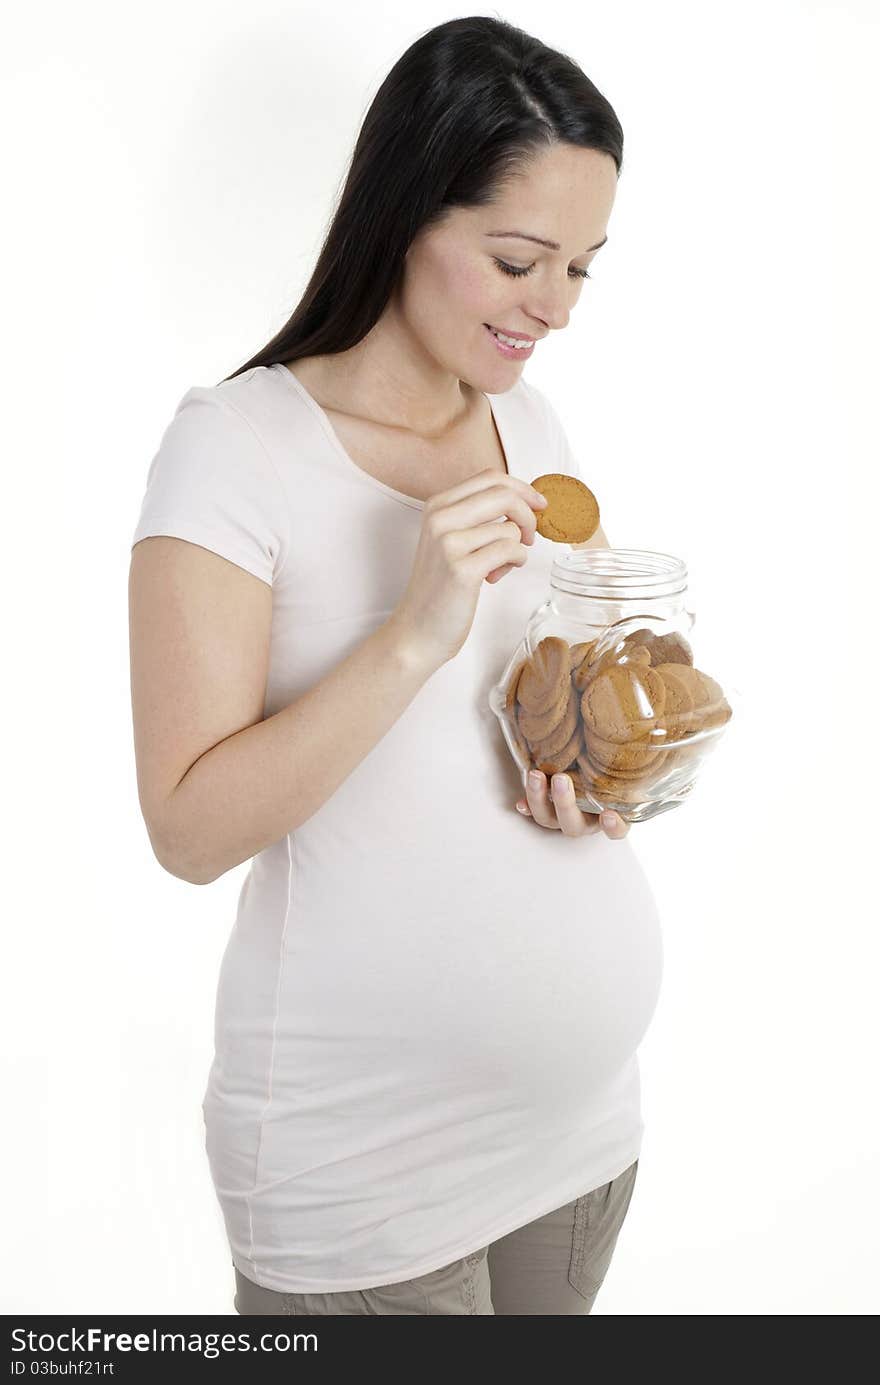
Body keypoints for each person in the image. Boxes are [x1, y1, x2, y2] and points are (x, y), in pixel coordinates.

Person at [128, 15, 663, 1315]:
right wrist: (412, 635)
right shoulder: (235, 450)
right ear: (413, 209)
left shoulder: (531, 424)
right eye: (522, 259)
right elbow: (188, 829)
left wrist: (601, 773)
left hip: (580, 1137)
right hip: (366, 1165)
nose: (556, 309)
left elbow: (537, 712)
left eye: (584, 269)